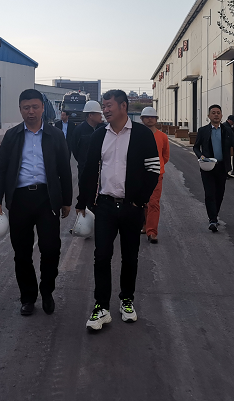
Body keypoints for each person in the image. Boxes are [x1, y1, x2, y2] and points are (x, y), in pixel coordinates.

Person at [77, 90, 160, 331]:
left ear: (123, 106)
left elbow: (153, 170)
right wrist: (83, 202)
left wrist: (139, 201)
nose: (105, 110)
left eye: (109, 105)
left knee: (130, 257)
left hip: (131, 207)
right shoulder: (99, 135)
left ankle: (126, 300)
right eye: (103, 106)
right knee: (101, 256)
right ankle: (101, 307)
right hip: (104, 206)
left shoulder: (142, 134)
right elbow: (88, 170)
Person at [0, 89, 73, 316]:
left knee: (51, 248)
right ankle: (28, 297)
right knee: (22, 252)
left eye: (35, 107)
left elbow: (64, 170)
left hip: (47, 199)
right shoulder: (12, 136)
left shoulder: (55, 135)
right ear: (20, 110)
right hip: (20, 199)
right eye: (26, 108)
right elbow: (1, 169)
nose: (31, 112)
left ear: (42, 108)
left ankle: (47, 292)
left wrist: (67, 200)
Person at [193, 104, 234, 233]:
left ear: (221, 115)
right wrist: (200, 156)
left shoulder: (227, 130)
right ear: (209, 116)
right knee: (209, 193)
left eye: (218, 113)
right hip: (207, 166)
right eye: (213, 113)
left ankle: (214, 214)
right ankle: (212, 219)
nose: (216, 115)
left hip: (222, 167)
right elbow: (196, 147)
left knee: (219, 193)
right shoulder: (203, 130)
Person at [140, 106, 169, 244]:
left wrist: (158, 167)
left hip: (157, 174)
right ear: (142, 119)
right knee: (141, 202)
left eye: (152, 117)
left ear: (156, 119)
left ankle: (152, 231)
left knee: (154, 203)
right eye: (147, 117)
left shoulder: (162, 137)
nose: (150, 119)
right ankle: (144, 224)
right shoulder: (136, 135)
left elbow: (165, 156)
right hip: (139, 174)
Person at [71, 100, 104, 177]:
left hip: (101, 170)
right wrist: (83, 161)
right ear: (90, 115)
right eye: (99, 114)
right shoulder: (79, 130)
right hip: (84, 170)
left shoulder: (103, 129)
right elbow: (75, 150)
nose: (101, 116)